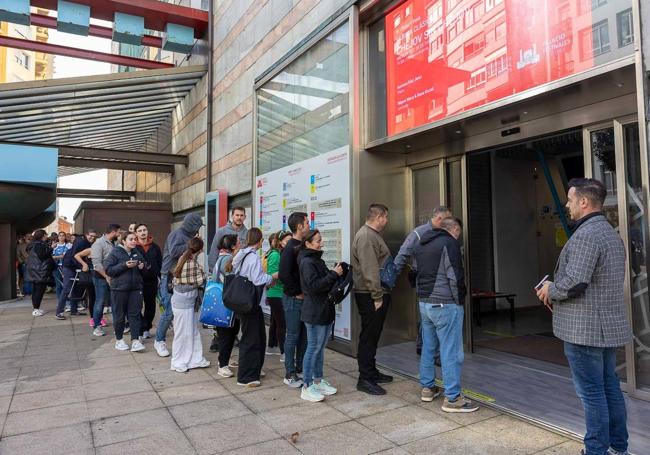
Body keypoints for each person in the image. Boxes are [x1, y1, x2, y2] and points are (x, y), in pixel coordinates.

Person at [536, 178, 632, 455]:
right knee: (609, 389)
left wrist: (549, 288)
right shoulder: (610, 234)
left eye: (569, 199)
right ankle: (617, 448)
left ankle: (596, 450)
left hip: (585, 330)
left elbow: (576, 283)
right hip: (603, 328)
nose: (566, 205)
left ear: (584, 202)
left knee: (592, 393)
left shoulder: (587, 235)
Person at [413, 216, 478, 412]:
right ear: (454, 229)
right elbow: (455, 275)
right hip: (445, 304)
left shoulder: (421, 243)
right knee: (451, 351)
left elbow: (414, 273)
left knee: (428, 347)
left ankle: (427, 387)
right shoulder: (449, 243)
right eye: (459, 233)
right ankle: (453, 398)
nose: (458, 238)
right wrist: (460, 301)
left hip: (425, 303)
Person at [394, 206, 453, 355]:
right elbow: (402, 254)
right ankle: (431, 350)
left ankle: (423, 346)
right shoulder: (418, 233)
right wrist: (391, 278)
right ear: (439, 219)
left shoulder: (443, 234)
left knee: (428, 314)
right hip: (424, 279)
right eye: (447, 220)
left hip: (439, 280)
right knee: (429, 313)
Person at [351, 203, 393, 395]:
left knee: (373, 334)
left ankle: (371, 372)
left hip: (373, 292)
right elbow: (370, 270)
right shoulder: (367, 236)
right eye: (386, 217)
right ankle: (365, 379)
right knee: (369, 335)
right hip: (370, 294)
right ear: (379, 217)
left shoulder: (372, 235)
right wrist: (377, 296)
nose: (387, 221)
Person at [298, 229, 343, 402]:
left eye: (321, 239)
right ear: (308, 243)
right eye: (317, 240)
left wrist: (335, 274)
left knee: (319, 348)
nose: (321, 243)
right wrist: (334, 274)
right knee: (313, 348)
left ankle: (317, 380)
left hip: (323, 310)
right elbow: (314, 286)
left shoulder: (315, 260)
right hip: (315, 312)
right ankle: (307, 386)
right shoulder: (308, 262)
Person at [155, 213, 203, 357]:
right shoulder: (177, 234)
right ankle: (159, 341)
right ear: (192, 225)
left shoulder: (188, 236)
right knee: (169, 312)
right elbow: (175, 251)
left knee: (180, 312)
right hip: (169, 277)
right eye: (198, 227)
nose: (198, 230)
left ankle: (182, 341)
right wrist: (192, 244)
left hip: (181, 278)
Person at [231, 228, 273, 387]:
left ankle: (252, 370)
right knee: (252, 339)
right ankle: (246, 376)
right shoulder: (253, 257)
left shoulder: (242, 254)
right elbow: (257, 279)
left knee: (254, 337)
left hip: (244, 302)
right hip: (251, 303)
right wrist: (271, 277)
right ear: (260, 240)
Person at [279, 212, 310, 388]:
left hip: (303, 299)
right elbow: (284, 274)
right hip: (293, 299)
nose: (308, 225)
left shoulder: (302, 245)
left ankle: (299, 368)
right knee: (292, 336)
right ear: (299, 226)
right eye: (306, 222)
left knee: (303, 336)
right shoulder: (291, 247)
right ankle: (289, 374)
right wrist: (297, 292)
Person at [170, 237, 210, 373]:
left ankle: (195, 359)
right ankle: (178, 362)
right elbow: (200, 280)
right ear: (199, 250)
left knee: (191, 331)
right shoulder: (192, 262)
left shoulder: (183, 257)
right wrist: (205, 276)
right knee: (183, 333)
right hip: (185, 303)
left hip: (182, 301)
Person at [104, 232, 146, 353]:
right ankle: (119, 340)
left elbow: (145, 267)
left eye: (135, 239)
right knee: (119, 315)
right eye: (131, 239)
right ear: (123, 241)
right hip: (119, 289)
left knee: (135, 314)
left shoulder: (136, 252)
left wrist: (143, 267)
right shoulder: (115, 252)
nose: (134, 241)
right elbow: (108, 270)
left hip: (135, 289)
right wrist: (124, 265)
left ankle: (135, 341)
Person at [212, 234, 241, 377]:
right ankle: (222, 365)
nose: (241, 244)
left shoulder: (220, 258)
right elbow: (234, 279)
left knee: (228, 332)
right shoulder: (229, 260)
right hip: (226, 304)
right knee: (226, 335)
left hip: (220, 302)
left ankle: (226, 359)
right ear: (233, 246)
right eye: (238, 242)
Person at [56, 229, 97, 319]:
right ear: (86, 235)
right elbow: (74, 256)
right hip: (69, 267)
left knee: (75, 289)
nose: (92, 237)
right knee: (67, 289)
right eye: (91, 235)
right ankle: (59, 312)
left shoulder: (89, 243)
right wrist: (83, 265)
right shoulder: (81, 242)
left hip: (76, 267)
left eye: (94, 236)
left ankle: (74, 310)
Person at [89, 224, 120, 336]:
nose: (119, 234)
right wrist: (106, 277)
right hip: (100, 278)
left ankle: (118, 327)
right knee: (100, 301)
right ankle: (97, 326)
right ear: (113, 232)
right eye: (118, 232)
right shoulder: (98, 244)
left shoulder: (115, 243)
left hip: (113, 276)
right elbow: (97, 264)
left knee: (115, 302)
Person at [265, 230, 291, 358]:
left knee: (275, 322)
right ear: (280, 242)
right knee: (282, 324)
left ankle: (271, 347)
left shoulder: (280, 253)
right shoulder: (275, 255)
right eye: (287, 241)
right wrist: (289, 275)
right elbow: (272, 274)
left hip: (277, 293)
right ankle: (283, 352)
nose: (290, 243)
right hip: (276, 293)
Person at [135, 223, 163, 339]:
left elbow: (160, 263)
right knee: (136, 306)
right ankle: (141, 326)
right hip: (137, 281)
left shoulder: (155, 247)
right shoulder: (133, 247)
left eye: (144, 230)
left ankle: (147, 327)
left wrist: (161, 278)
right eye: (140, 230)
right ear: (136, 233)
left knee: (150, 306)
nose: (143, 232)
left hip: (151, 281)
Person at [207, 206, 248, 272]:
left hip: (240, 272)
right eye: (237, 215)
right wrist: (213, 270)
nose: (239, 217)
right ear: (232, 216)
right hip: (223, 270)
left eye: (241, 215)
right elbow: (214, 251)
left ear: (245, 217)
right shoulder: (221, 231)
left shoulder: (247, 233)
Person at [25, 230, 54, 316]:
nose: (47, 236)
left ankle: (36, 308)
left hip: (34, 270)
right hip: (40, 271)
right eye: (46, 235)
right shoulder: (39, 244)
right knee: (39, 291)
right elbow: (43, 255)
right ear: (43, 235)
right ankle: (36, 310)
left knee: (36, 290)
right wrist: (51, 248)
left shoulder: (33, 244)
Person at [52, 231, 72, 307]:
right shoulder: (54, 246)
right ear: (58, 237)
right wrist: (60, 256)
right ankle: (60, 302)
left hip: (66, 267)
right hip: (56, 267)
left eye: (63, 235)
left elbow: (66, 256)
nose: (61, 237)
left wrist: (55, 257)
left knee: (66, 285)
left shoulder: (69, 245)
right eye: (60, 236)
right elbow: (50, 256)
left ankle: (67, 302)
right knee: (58, 285)